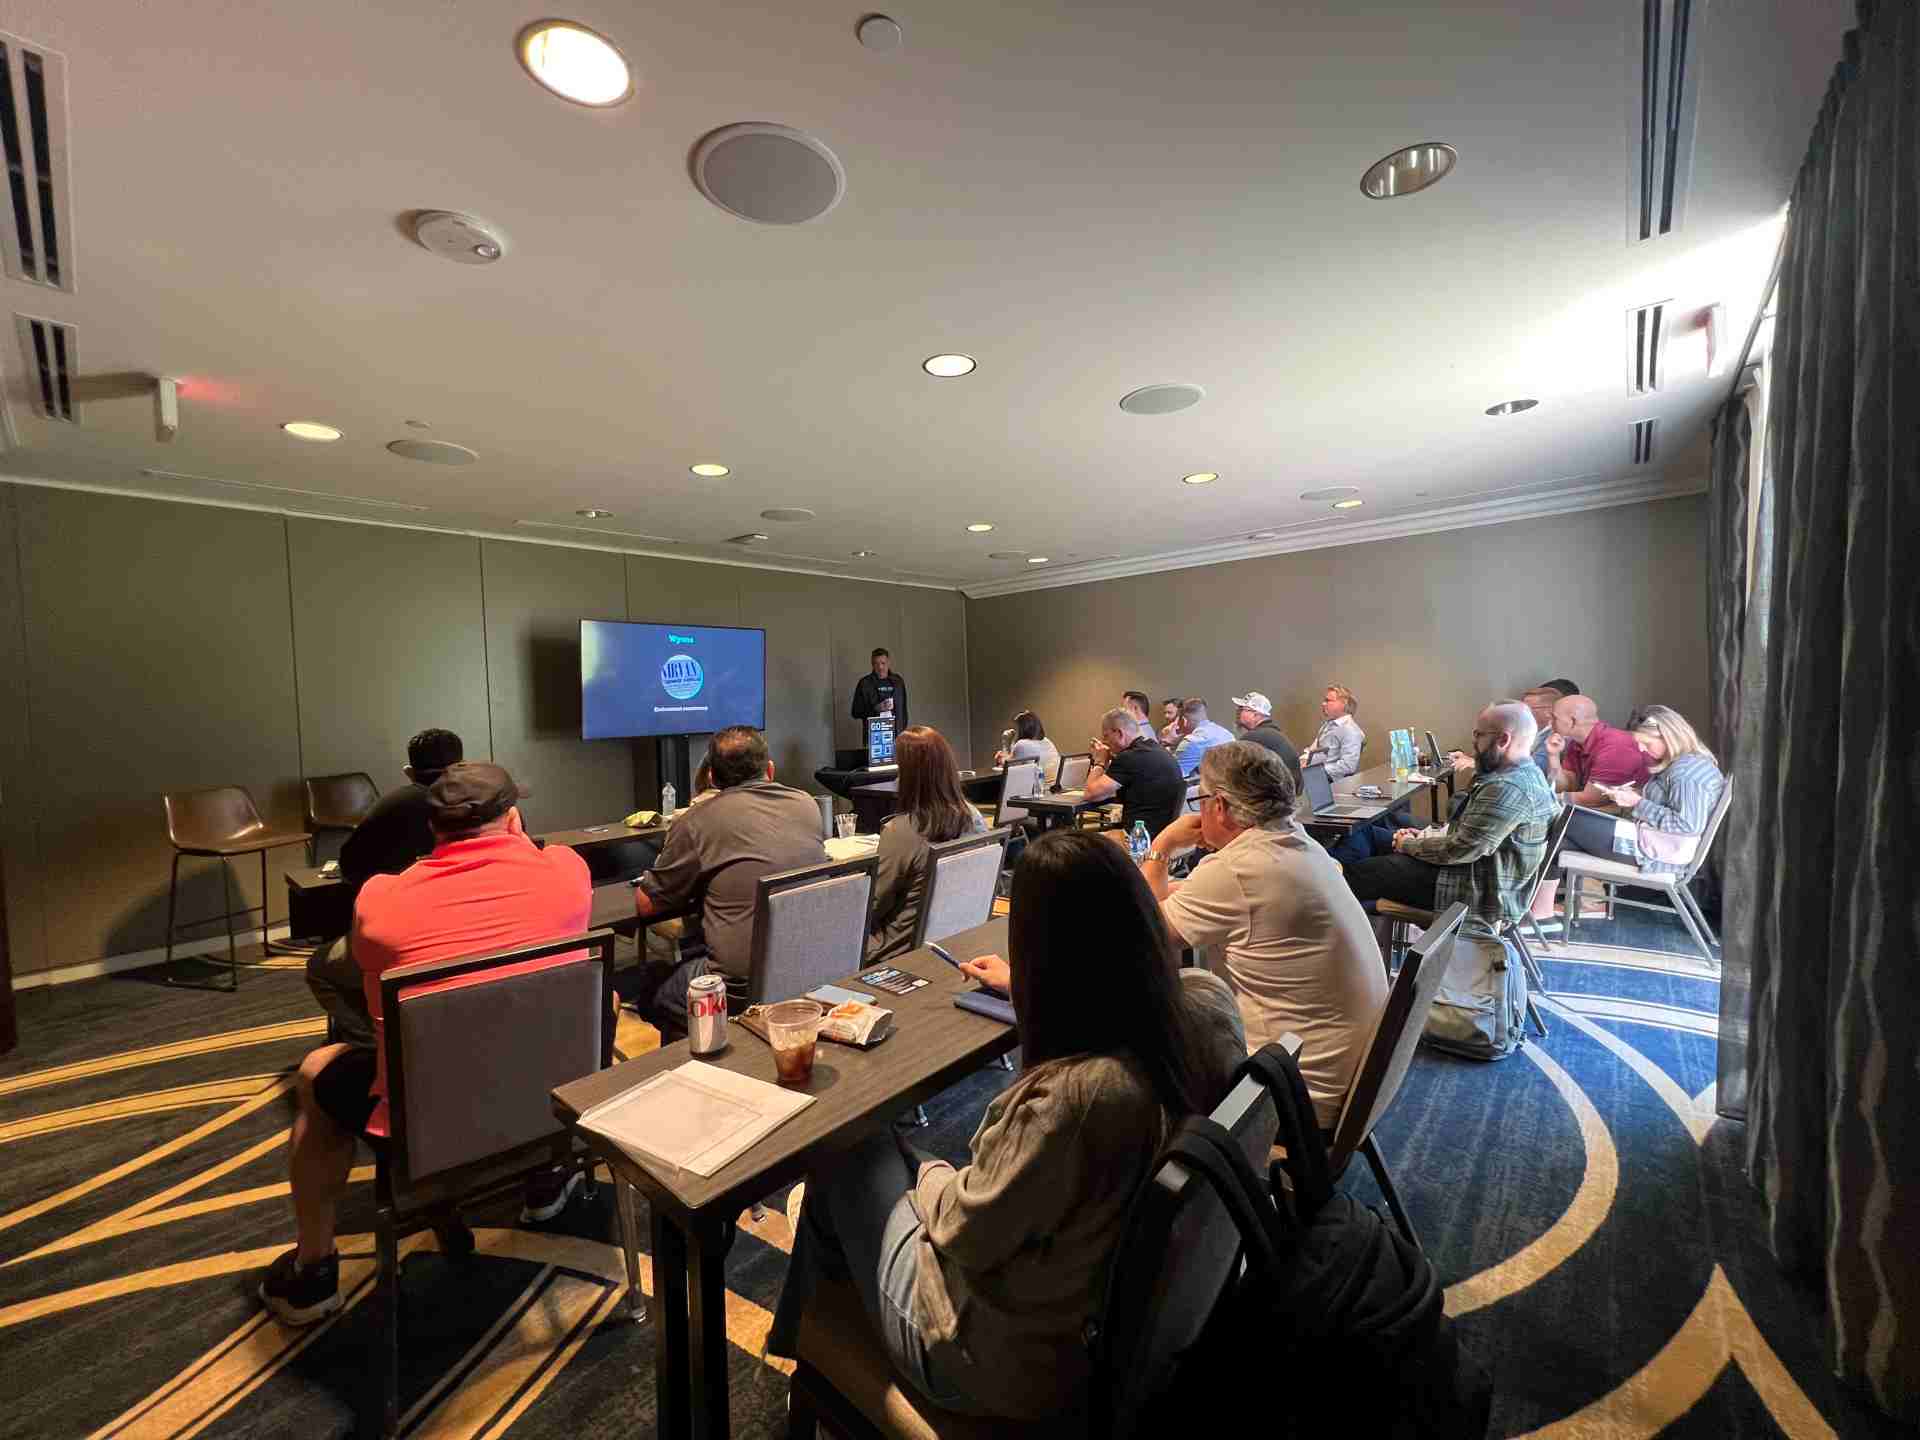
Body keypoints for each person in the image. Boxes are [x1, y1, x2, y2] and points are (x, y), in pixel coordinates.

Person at [765, 830, 1247, 1418]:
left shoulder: (1077, 1099)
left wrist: (935, 1175)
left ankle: (814, 1363)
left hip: (991, 1360)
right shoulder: (1203, 1005)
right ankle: (808, 1355)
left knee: (843, 1150)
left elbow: (961, 1230)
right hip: (1097, 1316)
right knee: (886, 1160)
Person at [260, 763, 592, 1325]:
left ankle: (313, 1272)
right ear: (513, 819)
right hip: (552, 1106)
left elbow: (365, 970)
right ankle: (546, 1173)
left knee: (318, 1069)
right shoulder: (567, 872)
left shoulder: (381, 902)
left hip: (432, 1129)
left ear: (433, 828)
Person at [1139, 743, 1385, 1128]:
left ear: (1218, 805)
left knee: (1143, 1057)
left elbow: (1149, 936)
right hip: (1347, 1079)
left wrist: (1161, 848)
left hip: (1291, 1093)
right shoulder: (1298, 843)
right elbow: (1235, 899)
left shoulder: (1235, 870)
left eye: (1200, 798)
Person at [624, 726, 828, 1033]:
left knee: (650, 989)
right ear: (769, 770)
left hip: (738, 990)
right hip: (810, 967)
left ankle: (701, 1063)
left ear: (711, 778)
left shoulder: (697, 821)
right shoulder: (806, 805)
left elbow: (647, 905)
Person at [305, 727, 463, 1047]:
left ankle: (373, 1047)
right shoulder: (481, 803)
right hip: (473, 927)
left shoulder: (390, 805)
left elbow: (351, 865)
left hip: (405, 937)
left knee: (321, 968)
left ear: (408, 772)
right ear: (460, 767)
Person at [1344, 701, 1559, 930]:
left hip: (1473, 893)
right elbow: (1469, 837)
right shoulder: (1526, 775)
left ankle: (1351, 939)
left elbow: (1461, 849)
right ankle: (1358, 923)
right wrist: (1423, 839)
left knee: (1360, 874)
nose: (1474, 742)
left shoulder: (1509, 787)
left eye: (1478, 734)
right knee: (1368, 833)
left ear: (1503, 740)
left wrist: (1408, 844)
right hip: (1473, 873)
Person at [868, 727, 991, 961]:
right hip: (959, 935)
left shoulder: (902, 830)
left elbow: (871, 906)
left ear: (909, 776)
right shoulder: (973, 817)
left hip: (897, 948)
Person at [1561, 706, 1725, 874]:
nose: (1641, 748)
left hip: (1655, 851)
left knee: (1564, 818)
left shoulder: (1687, 773)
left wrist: (1637, 802)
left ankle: (1561, 897)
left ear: (1668, 736)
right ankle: (1555, 898)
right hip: (1653, 842)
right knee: (1559, 840)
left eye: (1646, 743)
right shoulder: (1686, 764)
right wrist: (1636, 794)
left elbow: (1686, 825)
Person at [1082, 707, 1187, 838]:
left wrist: (1100, 761)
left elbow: (1090, 794)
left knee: (1080, 844)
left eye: (1106, 736)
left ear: (1119, 733)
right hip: (1163, 834)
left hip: (1138, 839)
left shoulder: (1128, 757)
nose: (1105, 742)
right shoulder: (1156, 749)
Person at [1546, 694, 1651, 806]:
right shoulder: (1576, 743)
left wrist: (1544, 798)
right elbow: (1564, 785)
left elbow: (1589, 799)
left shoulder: (1615, 747)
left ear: (1573, 721)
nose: (1549, 723)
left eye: (1554, 718)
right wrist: (1553, 755)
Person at [1230, 690, 1303, 789]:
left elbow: (1231, 772)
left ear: (1255, 715)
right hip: (1291, 796)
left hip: (1276, 799)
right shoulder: (1274, 733)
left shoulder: (1253, 738)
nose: (1238, 712)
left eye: (1242, 709)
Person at [1300, 685, 1365, 778]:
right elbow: (1313, 749)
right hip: (1316, 776)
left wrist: (1314, 771)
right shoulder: (1328, 725)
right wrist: (1303, 760)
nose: (1323, 704)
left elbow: (1348, 766)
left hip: (1332, 783)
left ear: (1343, 704)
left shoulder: (1351, 731)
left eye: (1328, 701)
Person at [993, 709, 1062, 787]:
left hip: (1036, 790)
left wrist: (1006, 744)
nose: (1014, 731)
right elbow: (1015, 760)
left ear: (1022, 729)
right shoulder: (1046, 741)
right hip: (1052, 788)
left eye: (1016, 729)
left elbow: (1009, 766)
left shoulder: (1022, 744)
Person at [1169, 698, 1235, 778]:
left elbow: (1173, 775)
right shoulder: (1228, 734)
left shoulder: (1192, 741)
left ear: (1183, 720)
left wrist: (1168, 744)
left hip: (1209, 788)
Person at [851, 648, 908, 736]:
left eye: (883, 663)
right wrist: (876, 708)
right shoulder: (865, 683)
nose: (880, 667)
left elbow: (903, 711)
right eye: (876, 664)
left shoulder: (898, 682)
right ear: (872, 664)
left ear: (889, 663)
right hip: (874, 738)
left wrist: (903, 732)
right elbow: (855, 712)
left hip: (897, 735)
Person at [1521, 686, 1564, 777]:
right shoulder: (1531, 731)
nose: (1521, 712)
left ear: (1549, 711)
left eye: (1527, 708)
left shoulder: (1557, 735)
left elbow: (1533, 768)